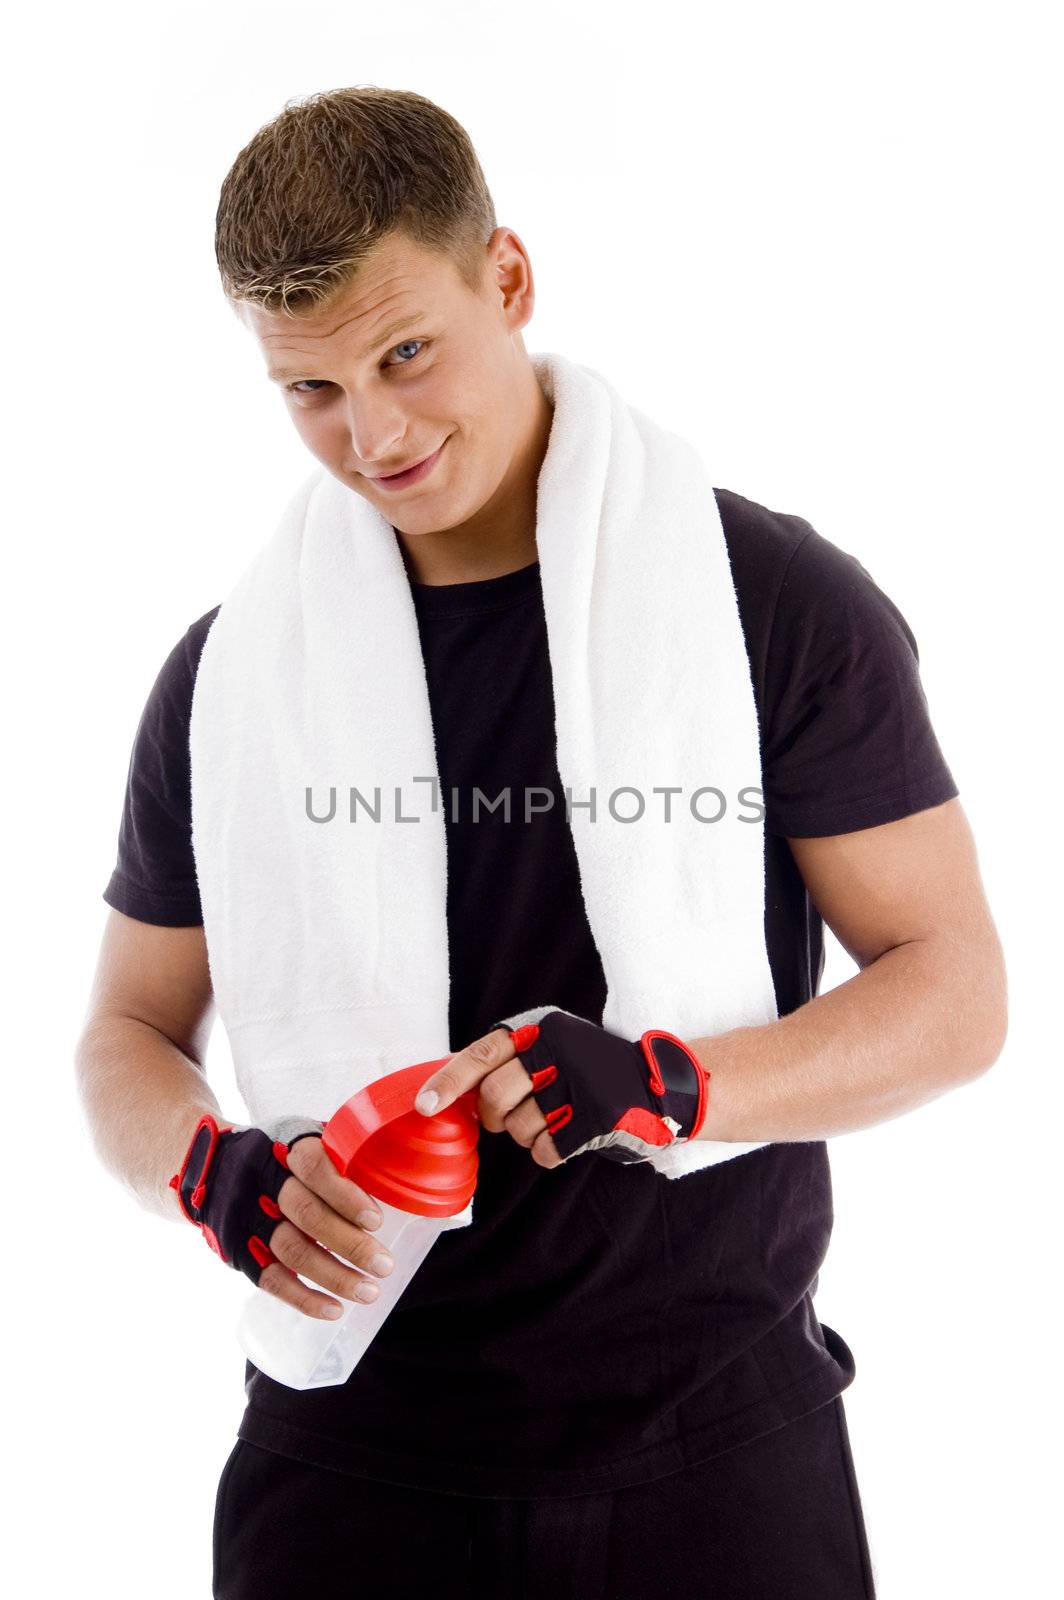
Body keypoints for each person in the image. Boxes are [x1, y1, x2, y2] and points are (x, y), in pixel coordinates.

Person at [74, 86, 1008, 1600]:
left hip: (718, 1453)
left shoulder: (770, 604)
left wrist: (668, 1085)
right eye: (309, 390)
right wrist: (205, 1171)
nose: (373, 433)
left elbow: (954, 990)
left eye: (404, 354)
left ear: (505, 279)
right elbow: (125, 1028)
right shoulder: (229, 675)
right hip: (348, 1459)